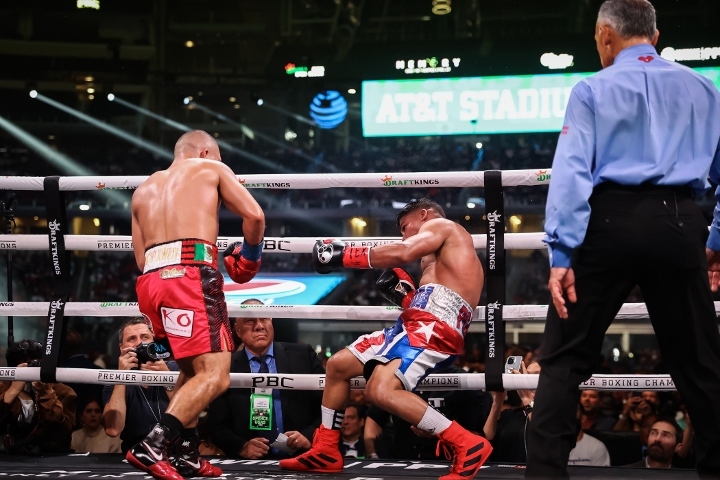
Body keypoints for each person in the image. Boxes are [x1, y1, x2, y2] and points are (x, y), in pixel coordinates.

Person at [525, 0, 720, 478]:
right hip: (679, 221)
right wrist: (716, 236)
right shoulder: (705, 89)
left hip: (607, 222)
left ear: (604, 36)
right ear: (655, 37)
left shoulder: (591, 87)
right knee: (700, 361)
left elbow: (571, 172)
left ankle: (545, 473)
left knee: (565, 359)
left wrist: (562, 251)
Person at [280, 198, 492, 480]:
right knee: (339, 366)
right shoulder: (445, 254)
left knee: (379, 391)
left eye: (405, 226)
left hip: (433, 326)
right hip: (417, 322)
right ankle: (327, 449)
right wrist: (409, 297)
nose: (403, 234)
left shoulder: (442, 226)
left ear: (424, 215)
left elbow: (404, 252)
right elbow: (442, 290)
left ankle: (466, 442)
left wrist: (344, 255)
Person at [126, 130, 265, 480]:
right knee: (217, 376)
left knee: (191, 370)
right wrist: (249, 258)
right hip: (190, 277)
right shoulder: (210, 169)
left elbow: (141, 259)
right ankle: (153, 445)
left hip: (152, 283)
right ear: (205, 152)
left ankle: (185, 455)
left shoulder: (143, 189)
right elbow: (255, 217)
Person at [208, 299, 324, 459]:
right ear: (238, 330)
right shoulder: (225, 366)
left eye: (264, 318)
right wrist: (241, 446)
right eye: (250, 320)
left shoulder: (303, 355)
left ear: (271, 322)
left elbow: (329, 406)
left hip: (302, 456)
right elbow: (216, 425)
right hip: (249, 464)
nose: (259, 326)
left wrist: (309, 436)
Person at [102, 318, 180, 453]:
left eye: (145, 337)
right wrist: (122, 378)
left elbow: (193, 418)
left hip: (175, 452)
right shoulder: (114, 380)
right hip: (135, 455)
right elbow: (113, 429)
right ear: (121, 348)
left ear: (154, 342)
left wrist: (167, 378)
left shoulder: (174, 369)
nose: (139, 343)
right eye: (132, 339)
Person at [0, 340, 76, 454]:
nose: (31, 368)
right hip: (8, 454)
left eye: (34, 364)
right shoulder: (3, 387)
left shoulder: (64, 392)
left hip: (50, 455)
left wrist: (48, 395)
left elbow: (62, 433)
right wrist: (12, 391)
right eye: (26, 364)